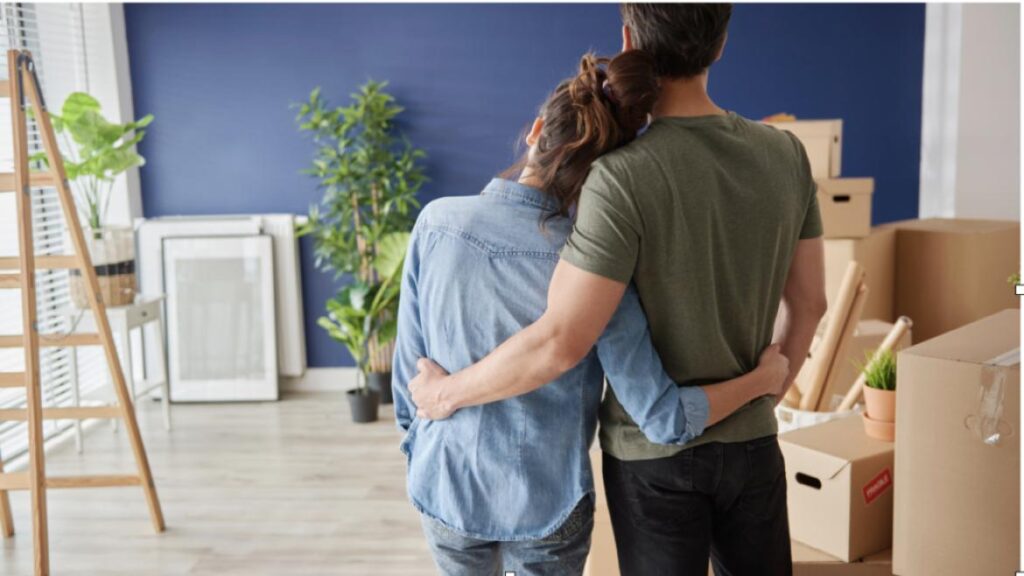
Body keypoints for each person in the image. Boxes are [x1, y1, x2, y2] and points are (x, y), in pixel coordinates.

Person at [408, 4, 827, 575]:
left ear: (630, 38)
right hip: (751, 444)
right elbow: (810, 306)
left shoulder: (618, 176)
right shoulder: (787, 153)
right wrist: (762, 394)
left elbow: (560, 340)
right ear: (722, 43)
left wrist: (444, 398)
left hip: (652, 464)